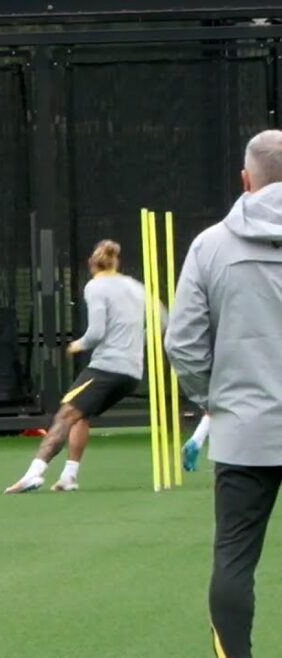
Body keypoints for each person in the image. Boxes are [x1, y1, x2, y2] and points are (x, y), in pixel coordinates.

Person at [166, 129, 282, 658]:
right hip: (245, 424)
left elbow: (183, 341)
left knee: (234, 559)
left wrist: (212, 398)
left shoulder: (211, 244)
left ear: (245, 178)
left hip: (243, 431)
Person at [4, 240, 147, 493]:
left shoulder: (96, 285)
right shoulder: (135, 286)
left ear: (92, 264)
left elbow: (96, 332)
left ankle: (34, 473)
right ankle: (69, 476)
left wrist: (77, 345)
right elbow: (163, 320)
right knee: (81, 415)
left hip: (107, 368)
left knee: (65, 415)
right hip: (133, 373)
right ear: (117, 261)